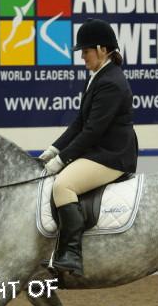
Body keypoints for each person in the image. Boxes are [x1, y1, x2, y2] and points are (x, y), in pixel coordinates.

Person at [37, 18, 139, 276]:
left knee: (63, 185)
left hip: (112, 155)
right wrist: (54, 149)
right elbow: (80, 123)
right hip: (98, 151)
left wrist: (62, 160)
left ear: (102, 49)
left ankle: (71, 254)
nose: (82, 57)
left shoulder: (111, 82)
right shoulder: (97, 77)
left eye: (85, 51)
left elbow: (93, 131)